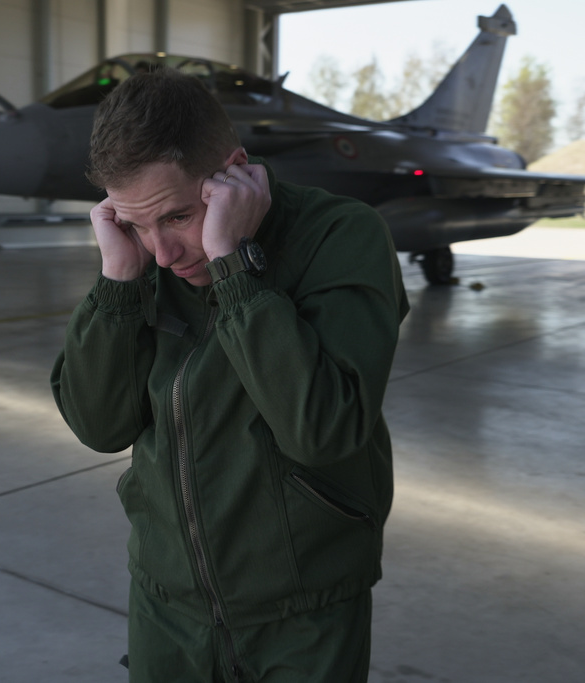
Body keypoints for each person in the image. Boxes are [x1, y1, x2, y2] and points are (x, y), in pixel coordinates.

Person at [50, 67, 408, 682]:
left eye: (178, 217)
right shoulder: (144, 263)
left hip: (304, 610)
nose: (162, 252)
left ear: (234, 173)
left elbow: (323, 429)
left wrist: (235, 268)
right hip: (166, 603)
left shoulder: (340, 235)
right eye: (135, 223)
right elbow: (100, 426)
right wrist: (117, 280)